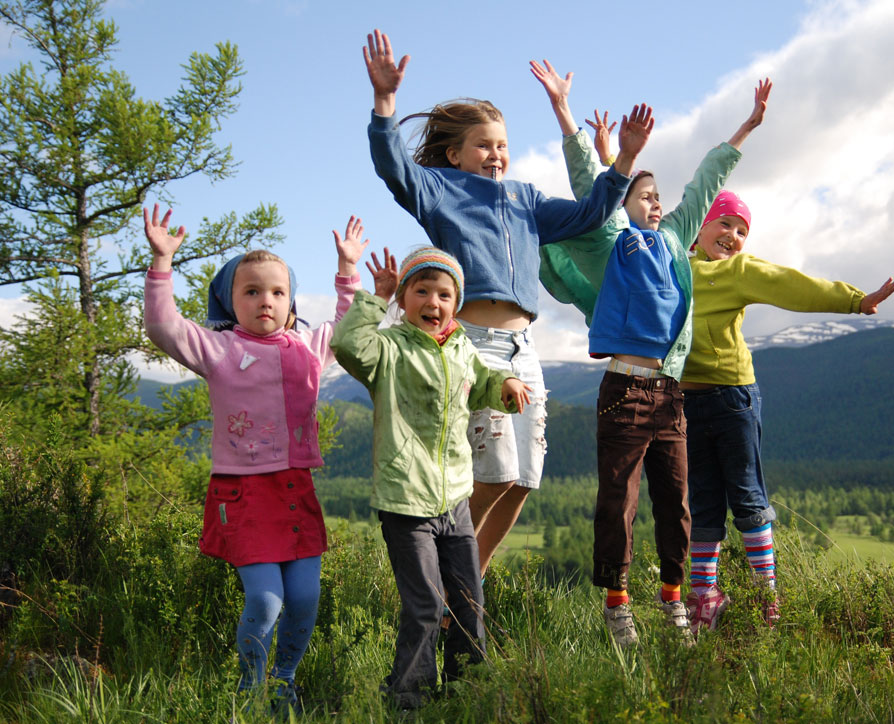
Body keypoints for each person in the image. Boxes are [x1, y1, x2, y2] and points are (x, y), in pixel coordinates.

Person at [361, 29, 654, 576]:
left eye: (502, 144)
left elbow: (589, 214)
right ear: (454, 154)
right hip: (471, 345)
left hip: (524, 348)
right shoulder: (439, 190)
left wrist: (625, 161)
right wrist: (385, 103)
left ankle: (467, 587)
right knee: (492, 472)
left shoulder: (526, 199)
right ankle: (448, 575)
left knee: (523, 480)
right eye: (483, 144)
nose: (496, 153)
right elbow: (393, 169)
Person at [531, 60, 771, 647]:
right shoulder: (616, 241)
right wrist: (574, 120)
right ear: (627, 203)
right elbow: (595, 186)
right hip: (625, 390)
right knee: (619, 501)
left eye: (658, 197)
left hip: (671, 396)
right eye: (644, 194)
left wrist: (745, 128)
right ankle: (618, 606)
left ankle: (672, 603)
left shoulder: (673, 242)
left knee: (677, 506)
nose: (656, 202)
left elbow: (705, 184)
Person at [143, 205, 368, 712]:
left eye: (277, 291)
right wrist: (161, 264)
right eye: (251, 291)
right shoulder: (217, 348)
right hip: (242, 493)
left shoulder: (308, 348)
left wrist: (348, 272)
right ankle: (251, 686)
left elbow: (349, 331)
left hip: (294, 489)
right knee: (266, 601)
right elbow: (162, 327)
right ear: (230, 300)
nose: (265, 300)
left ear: (290, 301)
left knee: (306, 599)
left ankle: (283, 680)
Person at [682, 190, 894, 633]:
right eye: (725, 223)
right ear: (700, 225)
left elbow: (792, 285)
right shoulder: (673, 265)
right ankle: (705, 596)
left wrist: (855, 300)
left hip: (732, 399)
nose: (733, 236)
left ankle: (767, 596)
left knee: (745, 495)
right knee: (702, 501)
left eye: (742, 230)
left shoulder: (740, 270)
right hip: (684, 402)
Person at [331, 246, 530, 709]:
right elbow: (347, 345)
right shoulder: (390, 348)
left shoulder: (461, 347)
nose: (433, 302)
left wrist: (505, 384)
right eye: (422, 290)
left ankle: (467, 691)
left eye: (444, 294)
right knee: (424, 606)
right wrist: (375, 299)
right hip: (406, 500)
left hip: (455, 498)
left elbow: (482, 379)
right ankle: (408, 698)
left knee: (467, 599)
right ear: (404, 298)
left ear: (454, 304)